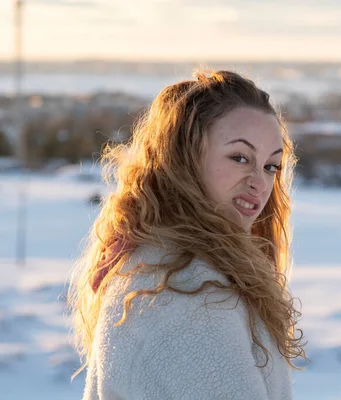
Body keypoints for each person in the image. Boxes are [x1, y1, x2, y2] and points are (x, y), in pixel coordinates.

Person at [68, 69, 307, 400]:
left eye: (271, 166)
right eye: (240, 157)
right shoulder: (188, 298)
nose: (260, 182)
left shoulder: (161, 264)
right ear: (185, 160)